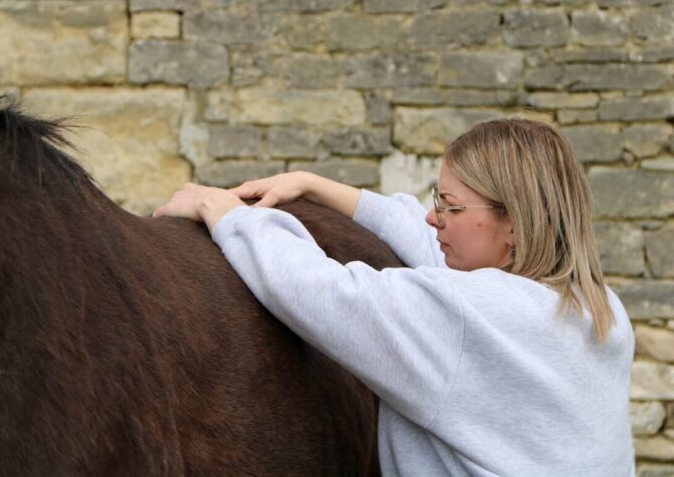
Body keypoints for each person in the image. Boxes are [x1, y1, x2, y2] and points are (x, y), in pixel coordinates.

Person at [153, 119, 635, 476]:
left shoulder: (470, 317)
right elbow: (424, 239)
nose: (432, 218)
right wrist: (314, 185)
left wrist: (227, 213)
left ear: (513, 223)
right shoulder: (600, 308)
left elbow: (321, 291)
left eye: (450, 207)